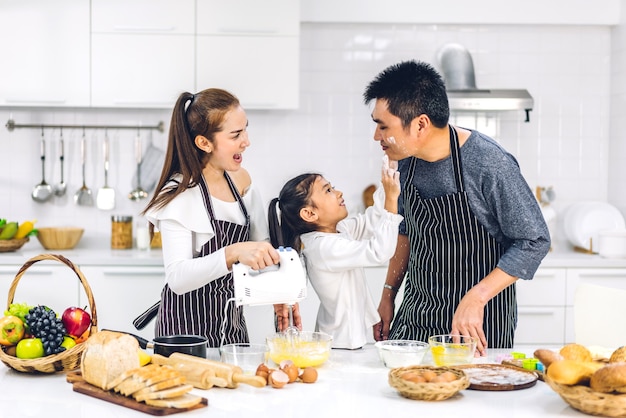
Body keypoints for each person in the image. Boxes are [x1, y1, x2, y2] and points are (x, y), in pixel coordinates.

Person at [363, 60, 551, 355]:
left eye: (383, 126)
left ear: (420, 124)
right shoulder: (404, 159)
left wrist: (476, 297)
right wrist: (389, 294)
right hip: (416, 316)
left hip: (475, 325)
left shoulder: (489, 163)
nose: (377, 137)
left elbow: (534, 240)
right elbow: (406, 231)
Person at [143, 88, 300, 347]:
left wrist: (280, 294)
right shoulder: (179, 194)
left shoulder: (242, 181)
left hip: (232, 330)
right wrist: (232, 252)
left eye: (245, 130)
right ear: (204, 143)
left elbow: (262, 249)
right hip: (185, 335)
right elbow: (178, 278)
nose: (246, 141)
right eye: (236, 135)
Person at [267, 156, 403, 349]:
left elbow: (371, 220)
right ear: (309, 214)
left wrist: (387, 181)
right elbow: (379, 252)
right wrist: (391, 199)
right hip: (337, 344)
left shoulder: (339, 231)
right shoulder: (323, 248)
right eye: (328, 190)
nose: (338, 193)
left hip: (346, 340)